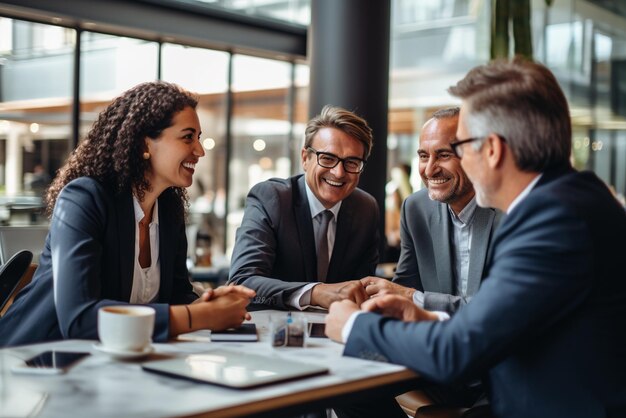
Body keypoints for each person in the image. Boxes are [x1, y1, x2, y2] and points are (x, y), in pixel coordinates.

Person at [327, 58, 626, 418]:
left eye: (462, 147)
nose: (458, 162)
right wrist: (426, 319)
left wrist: (355, 325)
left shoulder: (553, 220)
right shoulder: (571, 198)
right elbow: (502, 325)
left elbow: (459, 352)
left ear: (493, 149)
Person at [0, 81, 255, 347]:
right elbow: (79, 318)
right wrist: (197, 316)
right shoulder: (85, 198)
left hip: (110, 365)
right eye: (187, 137)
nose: (200, 151)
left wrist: (209, 305)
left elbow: (176, 296)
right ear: (145, 142)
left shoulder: (168, 210)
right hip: (33, 360)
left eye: (199, 138)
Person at [228, 105, 378, 310]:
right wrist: (315, 292)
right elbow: (242, 282)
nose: (339, 172)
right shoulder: (271, 199)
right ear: (305, 158)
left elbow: (363, 289)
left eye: (352, 162)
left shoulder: (366, 209)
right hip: (272, 332)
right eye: (327, 158)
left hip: (338, 331)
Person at [364, 107, 502, 316]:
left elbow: (499, 309)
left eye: (444, 155)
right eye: (423, 156)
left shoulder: (513, 211)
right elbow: (401, 294)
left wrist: (414, 298)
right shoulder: (415, 209)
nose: (429, 170)